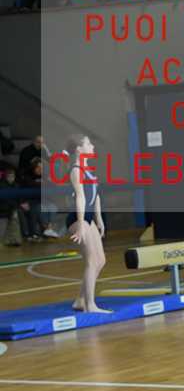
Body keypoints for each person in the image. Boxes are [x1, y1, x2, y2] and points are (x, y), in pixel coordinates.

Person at [64, 134, 109, 313]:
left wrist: (99, 220)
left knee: (101, 260)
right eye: (88, 144)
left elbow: (96, 196)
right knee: (91, 260)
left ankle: (80, 300)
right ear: (78, 149)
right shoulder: (76, 170)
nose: (92, 146)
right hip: (78, 217)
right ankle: (90, 305)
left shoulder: (88, 169)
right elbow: (80, 198)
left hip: (89, 217)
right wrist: (82, 225)